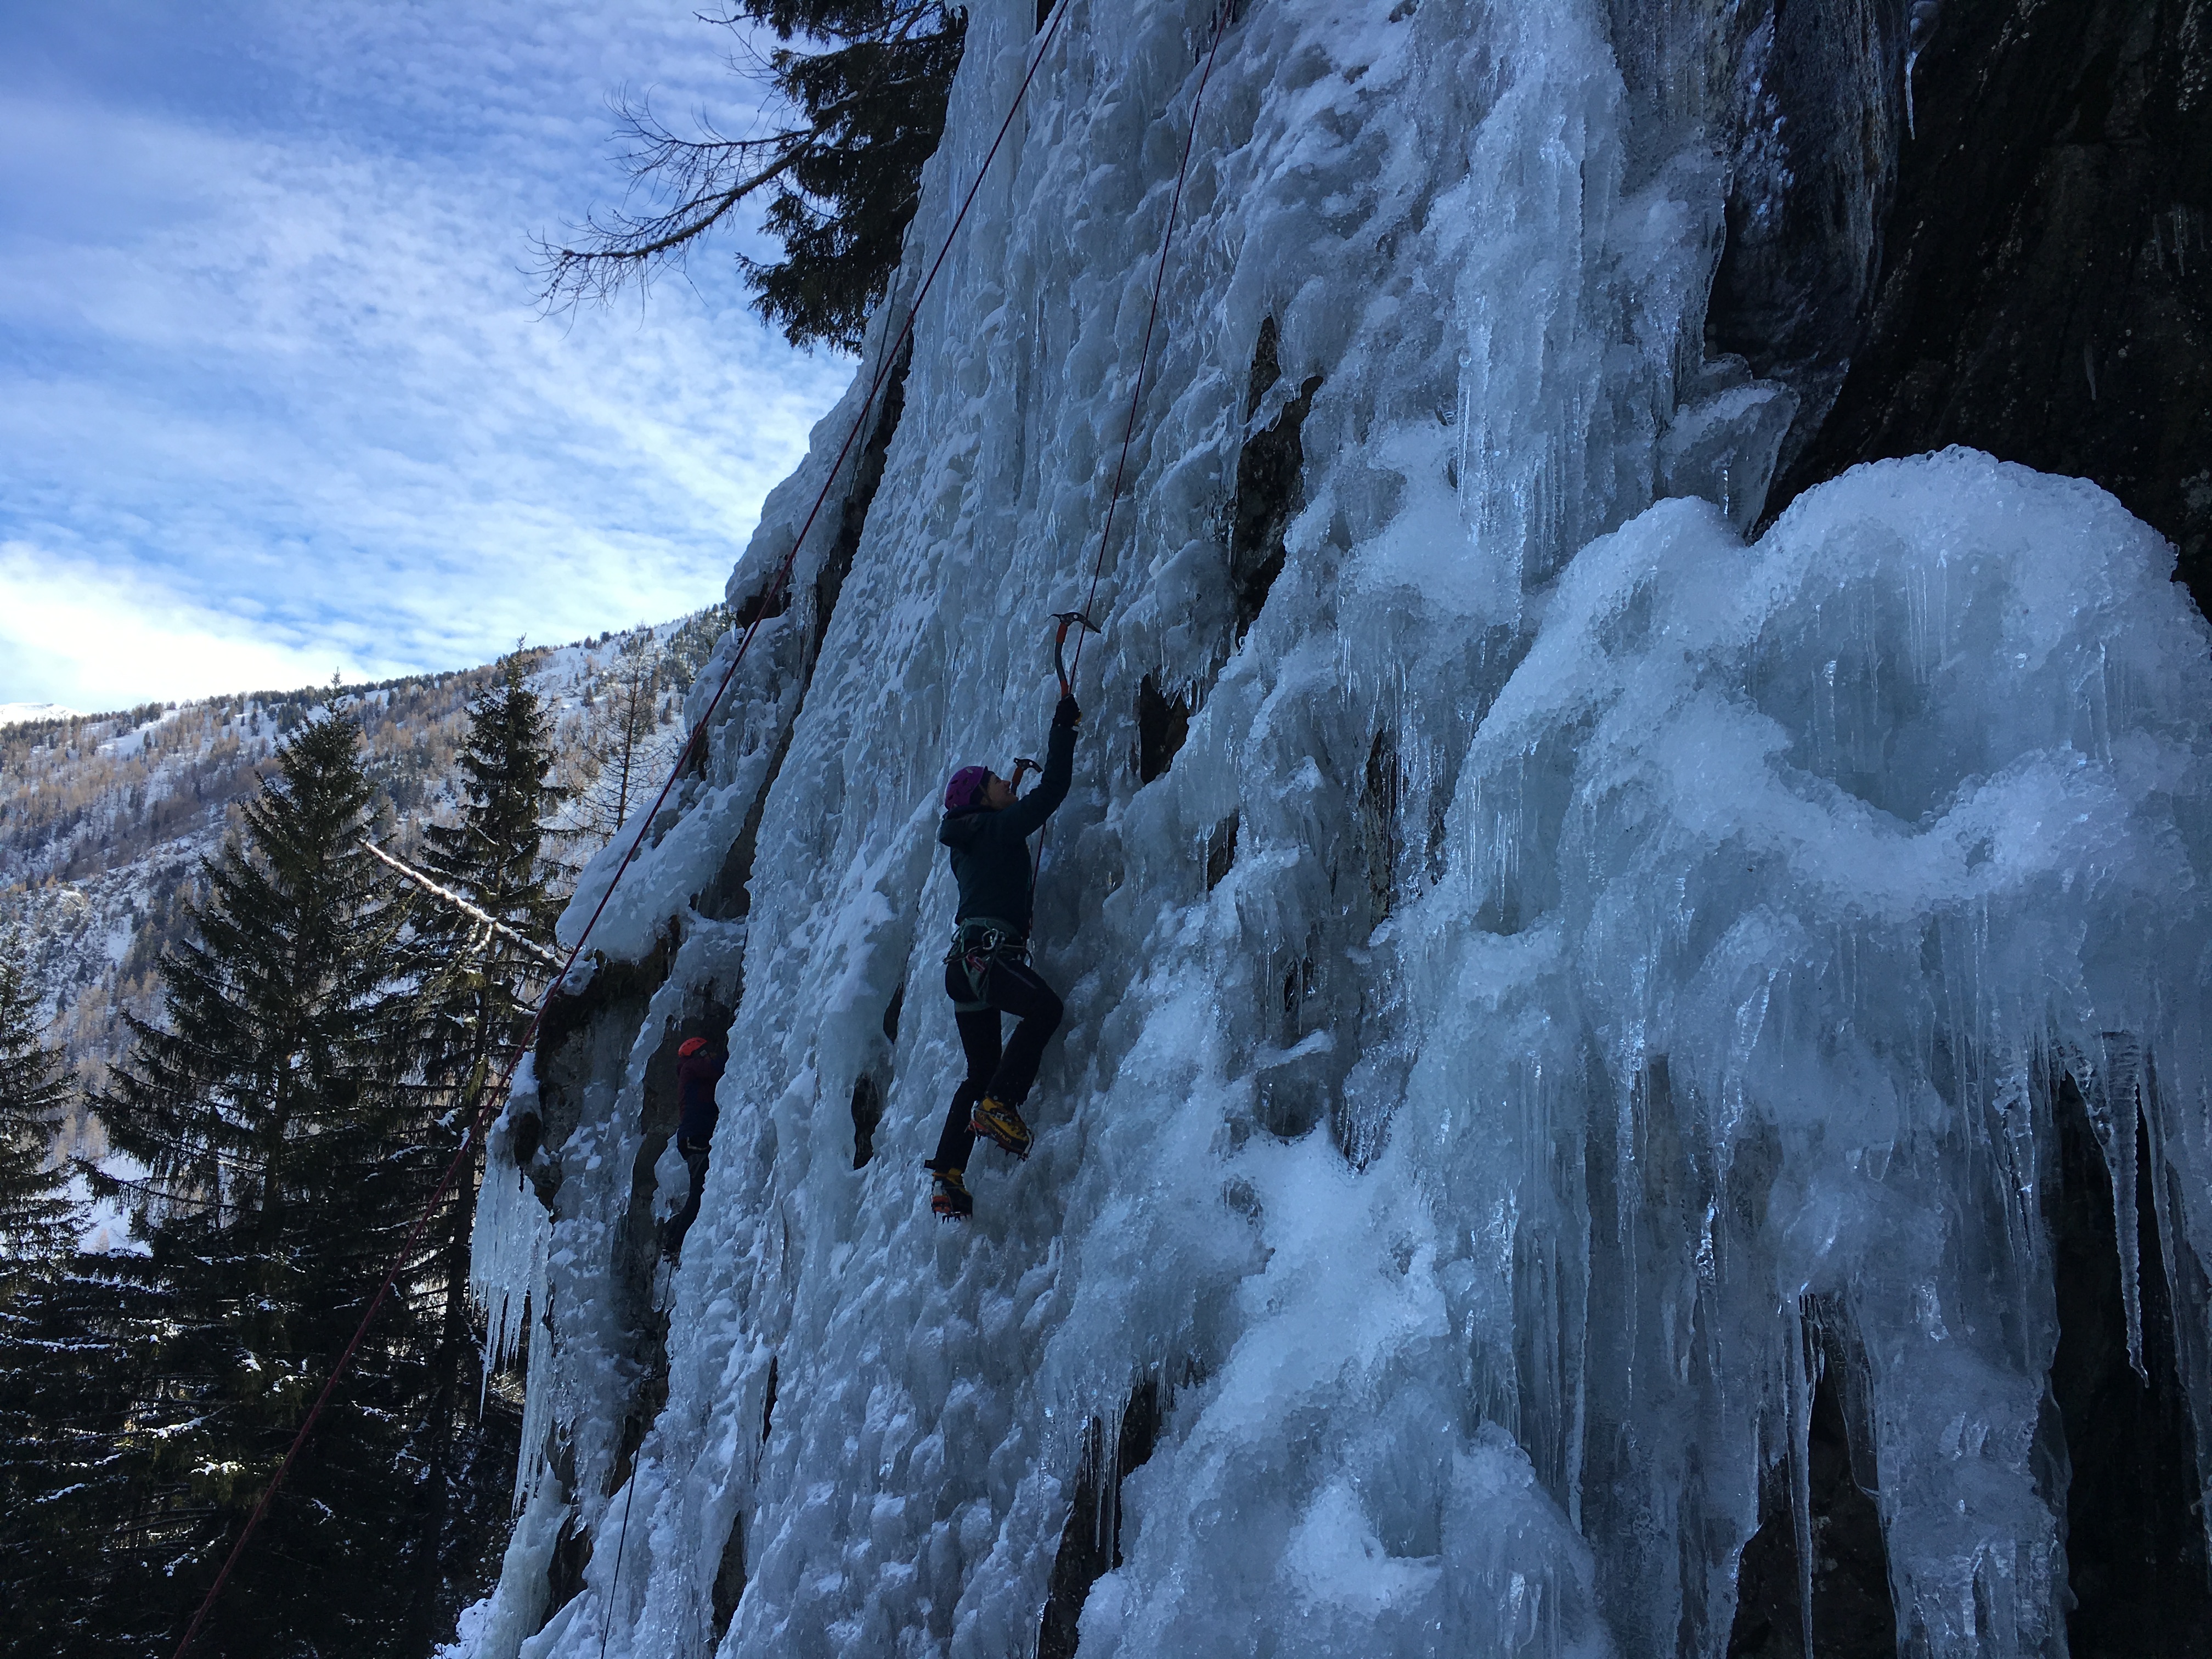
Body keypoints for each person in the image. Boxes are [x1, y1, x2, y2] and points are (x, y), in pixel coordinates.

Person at [926, 691, 1082, 1219]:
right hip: (990, 962)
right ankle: (1001, 1105)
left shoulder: (970, 840)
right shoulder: (995, 829)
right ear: (982, 802)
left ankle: (949, 1174)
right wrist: (1064, 727)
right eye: (994, 782)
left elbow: (998, 851)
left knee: (979, 1070)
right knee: (1047, 1011)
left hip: (964, 968)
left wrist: (1005, 795)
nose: (1002, 783)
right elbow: (1054, 790)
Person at [663, 1034, 726, 1259]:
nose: (712, 1055)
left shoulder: (692, 1071)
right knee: (699, 1192)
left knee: (700, 1191)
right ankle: (674, 1241)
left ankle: (673, 1235)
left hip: (695, 1137)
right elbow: (718, 1067)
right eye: (708, 1051)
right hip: (697, 1137)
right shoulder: (692, 1068)